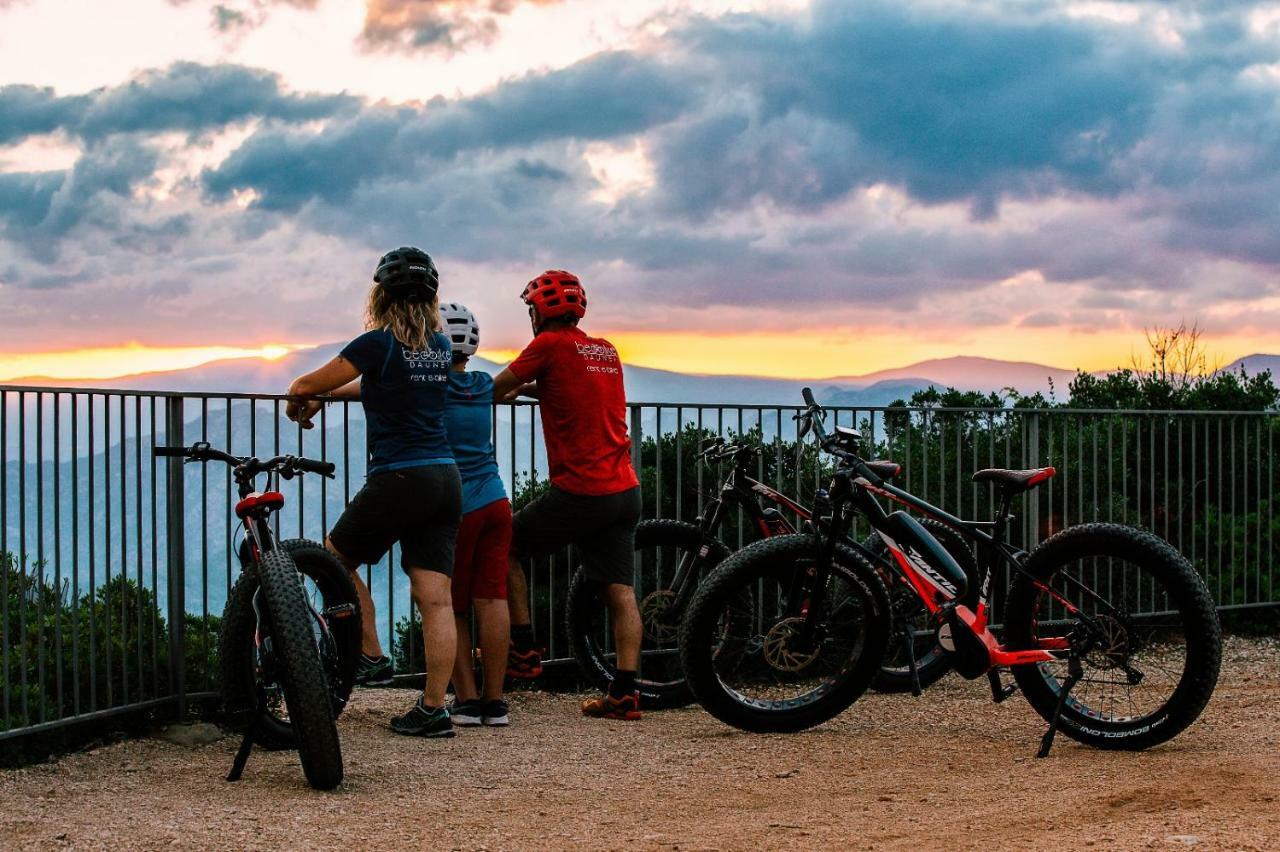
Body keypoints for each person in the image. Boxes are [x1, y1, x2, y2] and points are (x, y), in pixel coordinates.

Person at [286, 246, 461, 738]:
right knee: (436, 599)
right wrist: (329, 395)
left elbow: (303, 383)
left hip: (400, 476)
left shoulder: (375, 344)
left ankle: (371, 653)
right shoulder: (440, 349)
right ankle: (433, 709)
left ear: (381, 295)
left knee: (333, 558)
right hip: (445, 479)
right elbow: (384, 387)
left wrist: (303, 400)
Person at [491, 270, 644, 720]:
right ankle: (625, 694)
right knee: (622, 593)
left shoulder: (548, 345)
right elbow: (575, 386)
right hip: (624, 490)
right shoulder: (605, 350)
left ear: (539, 311)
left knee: (506, 544)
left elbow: (495, 387)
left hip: (581, 491)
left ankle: (523, 648)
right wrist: (533, 389)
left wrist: (505, 389)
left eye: (531, 309)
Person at [439, 302, 512, 727]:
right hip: (496, 502)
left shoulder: (432, 386)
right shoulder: (483, 384)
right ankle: (495, 702)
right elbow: (519, 388)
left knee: (449, 604)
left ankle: (466, 701)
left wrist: (318, 394)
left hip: (456, 506)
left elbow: (368, 389)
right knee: (492, 598)